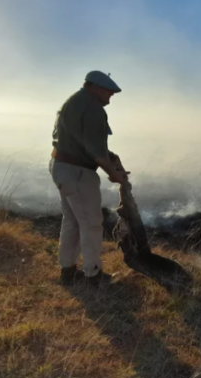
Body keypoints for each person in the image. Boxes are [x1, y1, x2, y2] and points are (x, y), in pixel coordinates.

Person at [49, 71, 129, 287]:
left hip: (61, 167)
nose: (111, 96)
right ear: (95, 87)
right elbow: (95, 151)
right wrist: (114, 174)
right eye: (109, 91)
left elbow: (84, 141)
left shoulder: (74, 101)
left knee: (73, 221)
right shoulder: (93, 109)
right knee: (92, 223)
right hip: (78, 172)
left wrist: (108, 159)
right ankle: (93, 275)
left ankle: (67, 271)